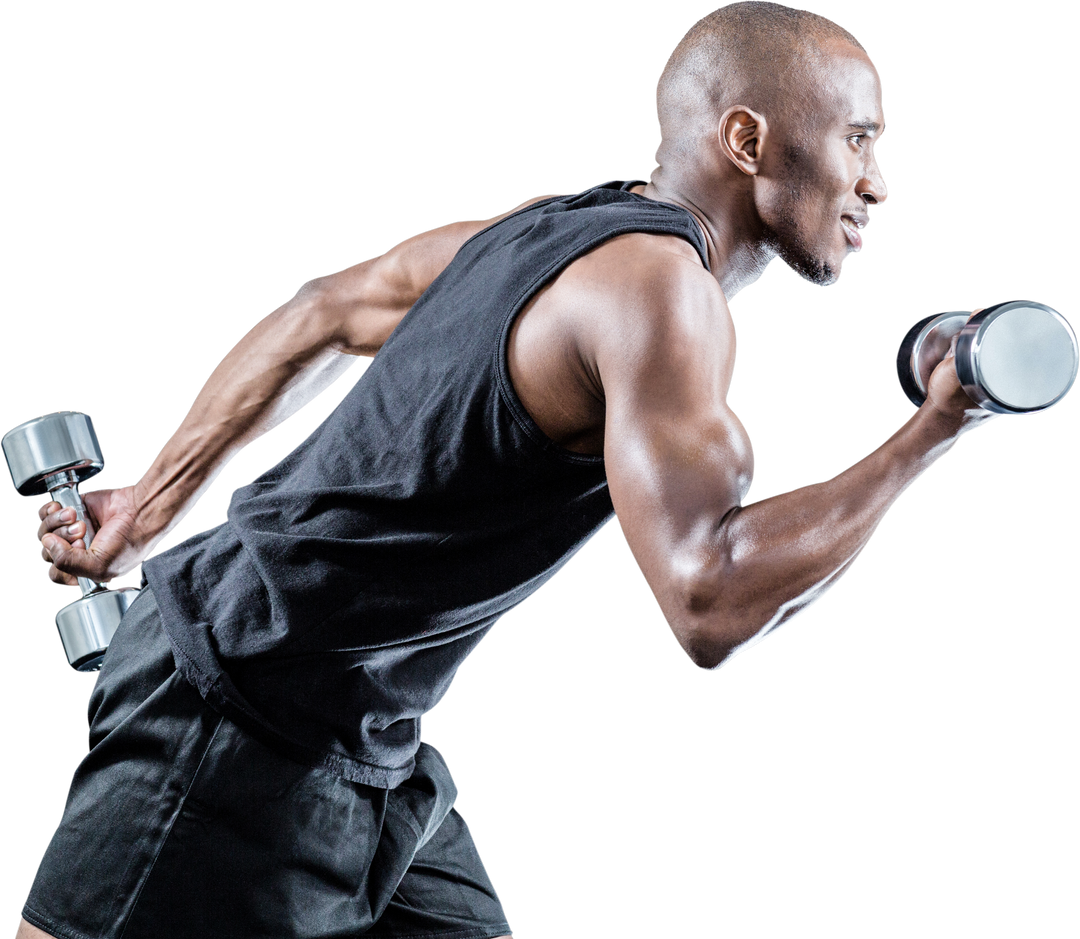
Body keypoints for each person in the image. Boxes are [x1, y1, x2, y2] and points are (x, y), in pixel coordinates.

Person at [9, 2, 1032, 936]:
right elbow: (710, 604)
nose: (876, 182)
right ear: (748, 139)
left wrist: (146, 509)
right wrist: (935, 431)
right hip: (231, 713)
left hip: (365, 734)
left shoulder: (553, 226)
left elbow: (324, 309)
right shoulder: (662, 299)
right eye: (859, 139)